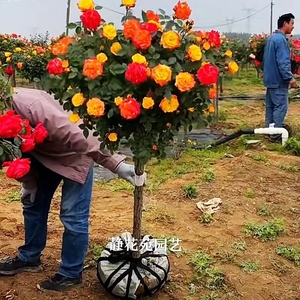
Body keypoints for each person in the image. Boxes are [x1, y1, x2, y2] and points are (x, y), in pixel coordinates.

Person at [0, 87, 136, 292]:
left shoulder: (31, 105)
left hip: (75, 151)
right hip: (41, 153)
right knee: (33, 205)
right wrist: (29, 182)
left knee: (73, 215)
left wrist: (115, 164)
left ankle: (70, 273)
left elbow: (78, 135)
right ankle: (29, 258)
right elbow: (12, 152)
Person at [262, 13, 298, 143]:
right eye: (292, 23)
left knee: (270, 108)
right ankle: (276, 135)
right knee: (280, 107)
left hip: (270, 80)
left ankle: (268, 132)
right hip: (278, 82)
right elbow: (283, 62)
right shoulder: (281, 40)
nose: (293, 26)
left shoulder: (271, 38)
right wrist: (290, 78)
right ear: (285, 23)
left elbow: (265, 59)